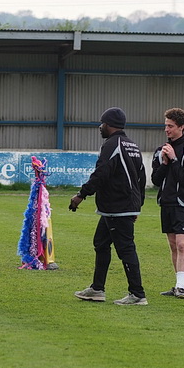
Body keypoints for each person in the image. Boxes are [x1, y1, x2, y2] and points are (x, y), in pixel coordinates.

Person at [70, 107, 148, 306]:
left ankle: (137, 294)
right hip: (122, 205)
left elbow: (101, 173)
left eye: (102, 123)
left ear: (109, 124)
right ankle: (97, 289)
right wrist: (138, 205)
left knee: (126, 249)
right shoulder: (132, 145)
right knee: (101, 243)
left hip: (118, 206)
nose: (99, 127)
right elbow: (141, 177)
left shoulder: (112, 144)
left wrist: (81, 194)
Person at [151, 108, 184, 300]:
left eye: (170, 126)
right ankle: (178, 285)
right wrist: (164, 163)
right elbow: (155, 180)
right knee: (173, 245)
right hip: (166, 202)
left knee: (181, 244)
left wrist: (173, 159)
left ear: (182, 127)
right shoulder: (160, 151)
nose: (167, 130)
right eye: (165, 126)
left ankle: (183, 286)